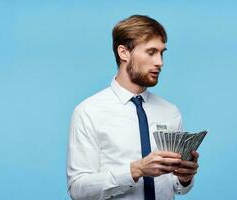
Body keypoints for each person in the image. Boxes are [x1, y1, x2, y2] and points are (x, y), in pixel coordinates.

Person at [67, 15, 199, 200]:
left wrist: (184, 178)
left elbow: (175, 187)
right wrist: (135, 170)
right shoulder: (89, 112)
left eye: (162, 53)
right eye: (151, 52)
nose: (160, 62)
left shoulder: (170, 112)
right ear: (124, 53)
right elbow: (79, 190)